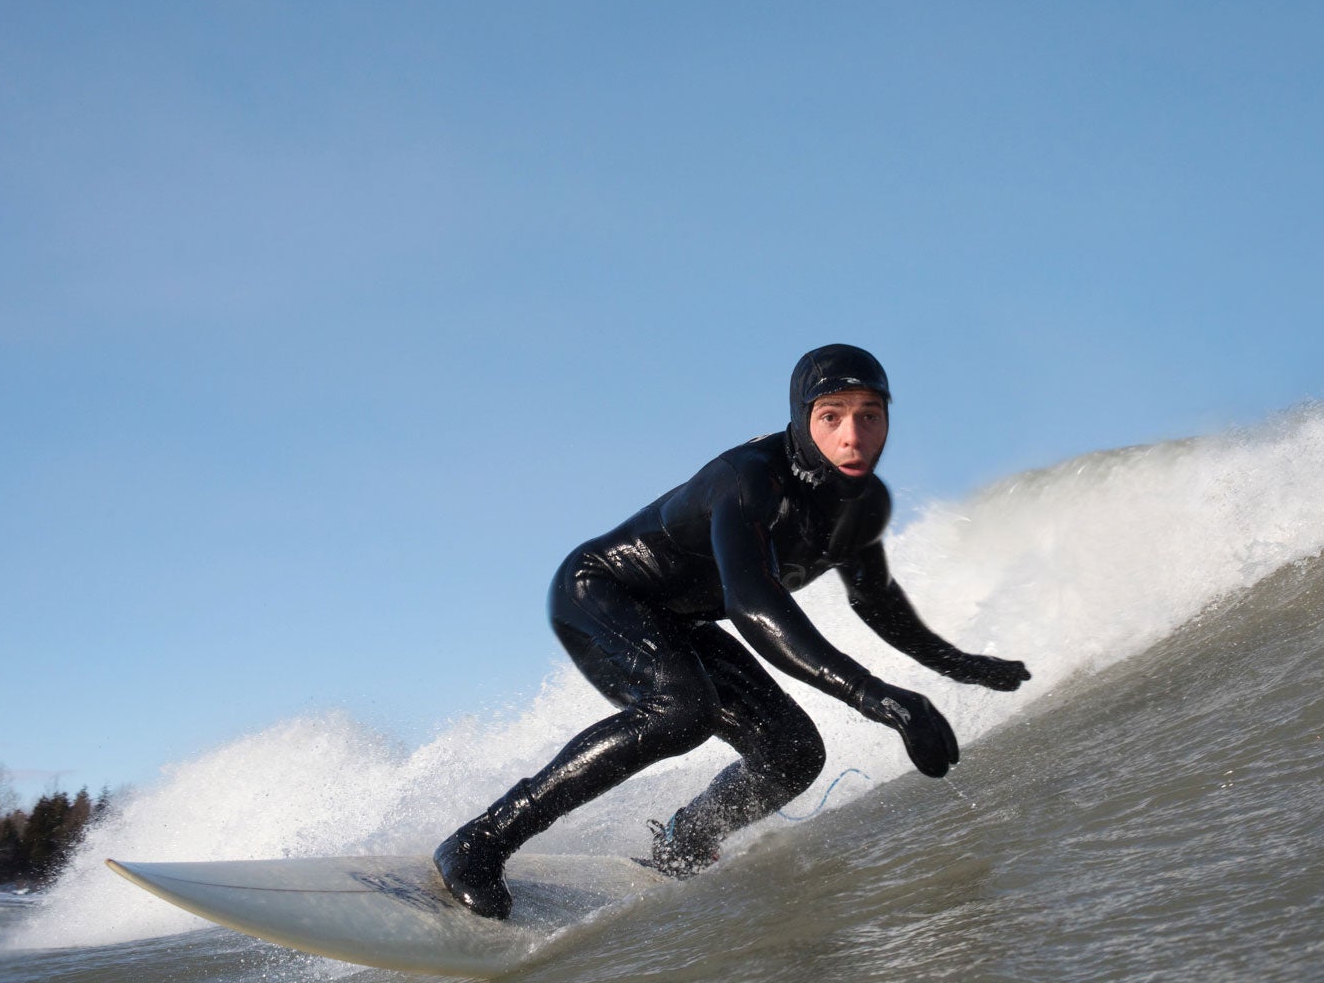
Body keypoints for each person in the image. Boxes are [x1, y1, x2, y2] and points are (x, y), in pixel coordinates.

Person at [435, 344, 1030, 918]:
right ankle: (480, 842)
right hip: (599, 593)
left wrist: (962, 666)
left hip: (679, 620)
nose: (853, 436)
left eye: (869, 416)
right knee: (680, 710)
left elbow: (878, 603)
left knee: (791, 754)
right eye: (831, 416)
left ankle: (682, 842)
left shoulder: (861, 505)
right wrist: (882, 699)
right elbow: (752, 605)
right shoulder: (749, 481)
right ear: (801, 418)